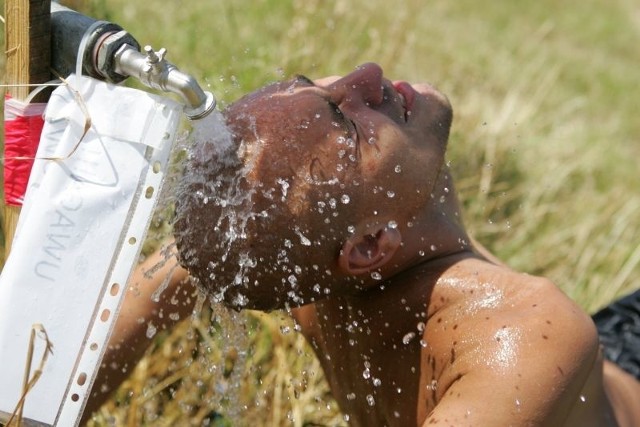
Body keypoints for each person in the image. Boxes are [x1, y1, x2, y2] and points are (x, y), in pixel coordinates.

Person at [92, 63, 639, 426]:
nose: (367, 75)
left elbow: (145, 293)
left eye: (312, 81)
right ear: (373, 244)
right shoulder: (521, 333)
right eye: (350, 127)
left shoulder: (307, 250)